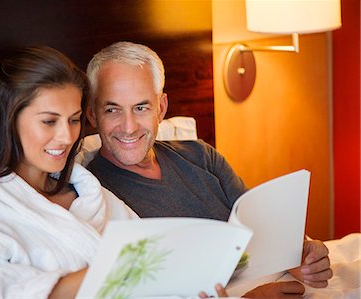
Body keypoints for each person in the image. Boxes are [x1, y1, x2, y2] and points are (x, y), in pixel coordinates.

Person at [85, 41, 333, 297]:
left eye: (141, 107)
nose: (129, 127)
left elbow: (259, 227)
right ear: (92, 113)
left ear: (161, 108)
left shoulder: (200, 155)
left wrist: (299, 257)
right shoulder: (93, 197)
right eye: (112, 109)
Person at [0, 45, 141, 299]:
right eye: (49, 121)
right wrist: (118, 271)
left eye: (74, 119)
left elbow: (157, 255)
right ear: (9, 120)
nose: (67, 136)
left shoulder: (92, 195)